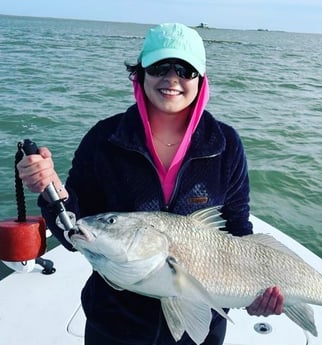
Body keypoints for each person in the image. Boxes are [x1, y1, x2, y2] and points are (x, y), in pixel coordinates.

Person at [17, 23, 283, 345]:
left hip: (201, 324)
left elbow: (237, 230)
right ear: (140, 74)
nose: (171, 78)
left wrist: (254, 291)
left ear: (201, 80)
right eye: (159, 67)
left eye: (185, 69)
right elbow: (75, 232)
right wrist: (50, 188)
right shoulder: (104, 138)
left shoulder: (225, 143)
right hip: (115, 323)